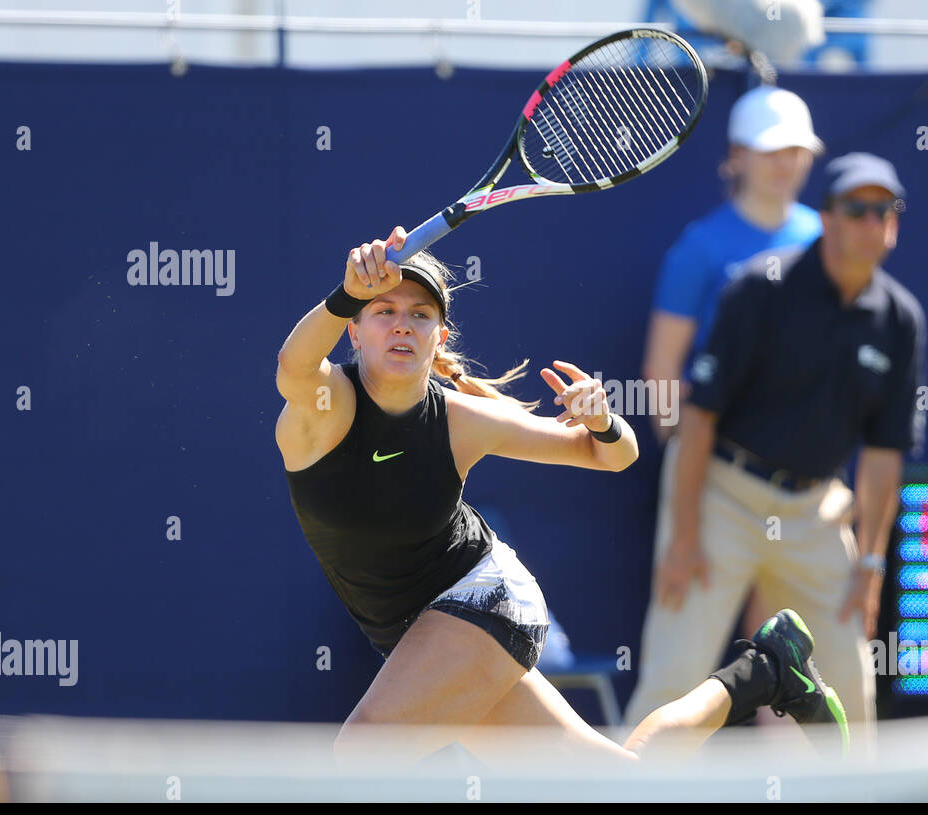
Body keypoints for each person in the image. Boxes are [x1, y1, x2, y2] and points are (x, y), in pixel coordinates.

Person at [274, 228, 850, 766]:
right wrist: (344, 294)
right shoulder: (325, 408)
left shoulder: (461, 420)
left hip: (482, 600)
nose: (402, 325)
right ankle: (766, 671)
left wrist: (602, 421)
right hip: (418, 633)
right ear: (353, 328)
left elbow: (614, 454)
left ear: (439, 337)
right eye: (383, 311)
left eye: (419, 315)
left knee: (359, 759)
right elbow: (293, 367)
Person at [626, 153, 927, 757]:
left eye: (884, 211)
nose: (872, 223)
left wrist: (869, 567)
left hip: (816, 513)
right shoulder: (760, 288)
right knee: (672, 683)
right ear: (827, 219)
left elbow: (883, 457)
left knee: (848, 697)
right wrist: (684, 533)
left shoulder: (899, 320)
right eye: (856, 209)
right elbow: (700, 418)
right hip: (721, 499)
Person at [629, 85, 824, 728]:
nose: (783, 163)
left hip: (805, 495)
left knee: (800, 668)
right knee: (676, 673)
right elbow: (663, 370)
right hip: (714, 483)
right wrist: (694, 473)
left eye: (795, 150)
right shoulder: (701, 248)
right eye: (770, 151)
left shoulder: (828, 240)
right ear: (737, 156)